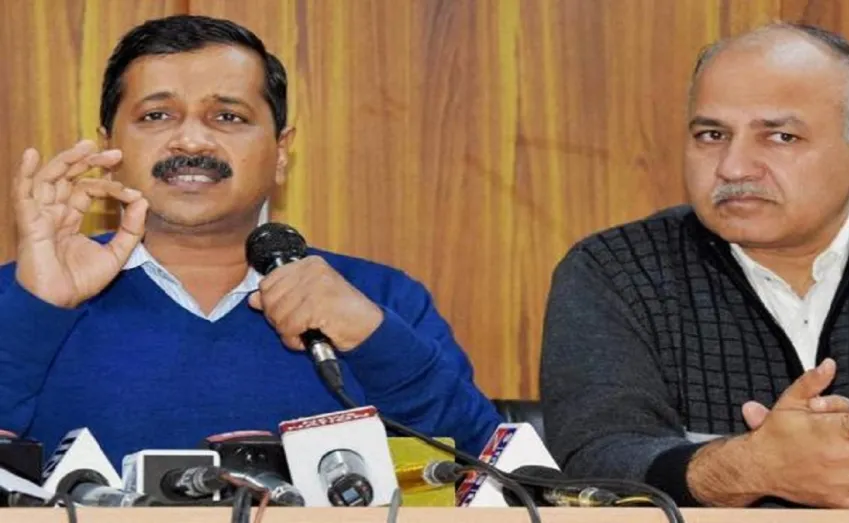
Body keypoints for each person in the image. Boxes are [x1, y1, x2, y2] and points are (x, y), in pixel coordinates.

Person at [0, 14, 501, 466]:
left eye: (228, 117)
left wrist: (373, 337)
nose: (191, 140)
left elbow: (491, 474)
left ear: (281, 151)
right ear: (110, 145)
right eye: (156, 116)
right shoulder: (26, 293)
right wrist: (35, 310)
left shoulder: (381, 298)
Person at [540, 22, 849, 510]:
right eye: (712, 134)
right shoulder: (616, 271)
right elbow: (595, 458)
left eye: (781, 136)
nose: (733, 167)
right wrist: (750, 467)